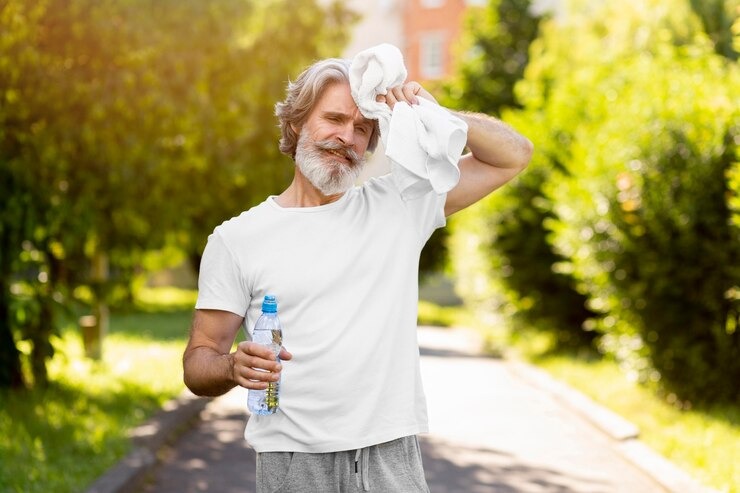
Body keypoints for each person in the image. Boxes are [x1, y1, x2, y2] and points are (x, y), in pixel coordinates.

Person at [183, 57, 533, 492]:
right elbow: (198, 361)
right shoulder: (236, 239)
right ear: (295, 124)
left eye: (362, 128)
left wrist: (433, 114)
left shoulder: (400, 204)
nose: (346, 137)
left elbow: (513, 156)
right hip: (293, 463)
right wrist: (233, 366)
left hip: (389, 458)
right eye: (333, 118)